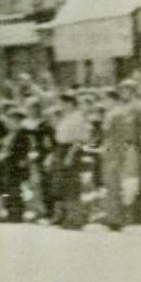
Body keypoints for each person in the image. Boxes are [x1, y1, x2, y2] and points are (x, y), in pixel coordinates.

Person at [98, 88, 138, 231]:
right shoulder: (121, 113)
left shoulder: (114, 114)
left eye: (105, 99)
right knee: (113, 185)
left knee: (112, 185)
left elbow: (109, 133)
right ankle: (115, 217)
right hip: (117, 151)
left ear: (111, 99)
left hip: (113, 152)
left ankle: (114, 219)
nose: (104, 102)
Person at [51, 92, 91, 229]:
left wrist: (70, 155)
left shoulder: (77, 117)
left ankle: (76, 218)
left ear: (70, 103)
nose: (61, 105)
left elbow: (79, 140)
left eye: (63, 102)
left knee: (72, 185)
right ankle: (68, 217)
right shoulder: (66, 117)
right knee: (64, 185)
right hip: (62, 149)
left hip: (71, 150)